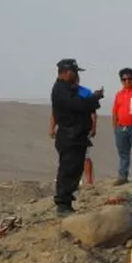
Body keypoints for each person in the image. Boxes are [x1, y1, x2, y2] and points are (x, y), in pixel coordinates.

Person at [50, 59, 103, 216]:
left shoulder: (69, 88)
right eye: (75, 72)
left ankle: (66, 202)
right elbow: (78, 105)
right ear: (66, 72)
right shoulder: (61, 90)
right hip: (69, 135)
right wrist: (93, 99)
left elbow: (85, 105)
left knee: (75, 168)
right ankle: (63, 204)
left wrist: (93, 99)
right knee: (68, 169)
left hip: (77, 135)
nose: (77, 75)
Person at [112, 68, 132, 185]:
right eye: (124, 79)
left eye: (129, 78)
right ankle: (122, 176)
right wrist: (115, 127)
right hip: (121, 127)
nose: (127, 81)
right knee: (123, 153)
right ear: (121, 80)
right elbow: (114, 111)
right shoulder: (119, 94)